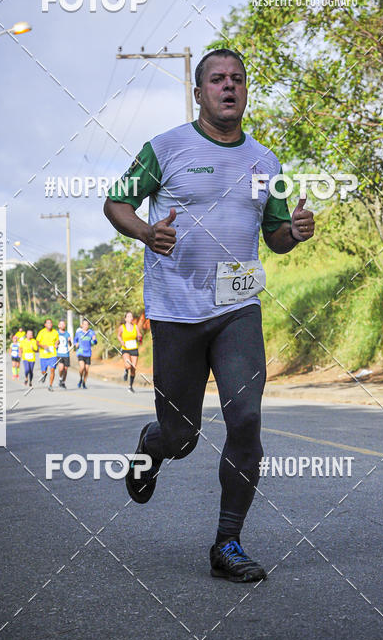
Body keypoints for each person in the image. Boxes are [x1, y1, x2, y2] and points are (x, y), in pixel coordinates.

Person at [104, 48, 315, 582]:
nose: (228, 87)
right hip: (176, 312)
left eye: (237, 79)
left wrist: (294, 232)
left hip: (237, 308)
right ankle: (151, 446)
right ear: (198, 93)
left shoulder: (267, 162)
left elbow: (275, 235)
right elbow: (116, 203)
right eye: (216, 80)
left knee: (245, 421)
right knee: (182, 434)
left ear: (246, 91)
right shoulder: (165, 148)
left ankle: (228, 543)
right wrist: (147, 232)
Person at [118, 311, 142, 393]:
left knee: (133, 367)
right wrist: (121, 341)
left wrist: (139, 337)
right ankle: (125, 370)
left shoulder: (135, 327)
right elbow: (118, 335)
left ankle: (130, 386)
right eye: (128, 316)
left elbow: (139, 335)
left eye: (131, 316)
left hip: (134, 348)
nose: (130, 318)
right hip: (125, 348)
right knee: (128, 365)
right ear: (125, 318)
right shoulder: (122, 327)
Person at [36, 318, 59, 391]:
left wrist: (56, 343)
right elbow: (37, 342)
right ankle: (44, 375)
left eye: (51, 323)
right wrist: (43, 346)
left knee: (52, 369)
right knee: (43, 371)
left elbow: (58, 340)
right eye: (48, 323)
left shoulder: (55, 332)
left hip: (52, 354)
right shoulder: (41, 332)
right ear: (45, 324)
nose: (50, 324)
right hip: (44, 355)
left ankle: (50, 385)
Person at [73, 318, 97, 388]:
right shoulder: (79, 333)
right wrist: (75, 344)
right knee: (82, 367)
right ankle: (80, 378)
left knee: (86, 370)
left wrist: (94, 339)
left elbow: (94, 343)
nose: (86, 326)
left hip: (88, 353)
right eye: (84, 324)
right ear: (82, 325)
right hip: (80, 352)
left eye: (87, 324)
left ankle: (83, 382)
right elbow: (75, 341)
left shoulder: (91, 332)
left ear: (88, 325)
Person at [56, 319, 72, 388]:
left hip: (66, 354)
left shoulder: (67, 334)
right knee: (61, 368)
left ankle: (63, 382)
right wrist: (56, 344)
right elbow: (54, 343)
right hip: (59, 353)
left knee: (65, 369)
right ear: (58, 325)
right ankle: (60, 378)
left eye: (63, 324)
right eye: (61, 324)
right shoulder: (56, 333)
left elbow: (70, 345)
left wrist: (69, 341)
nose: (62, 325)